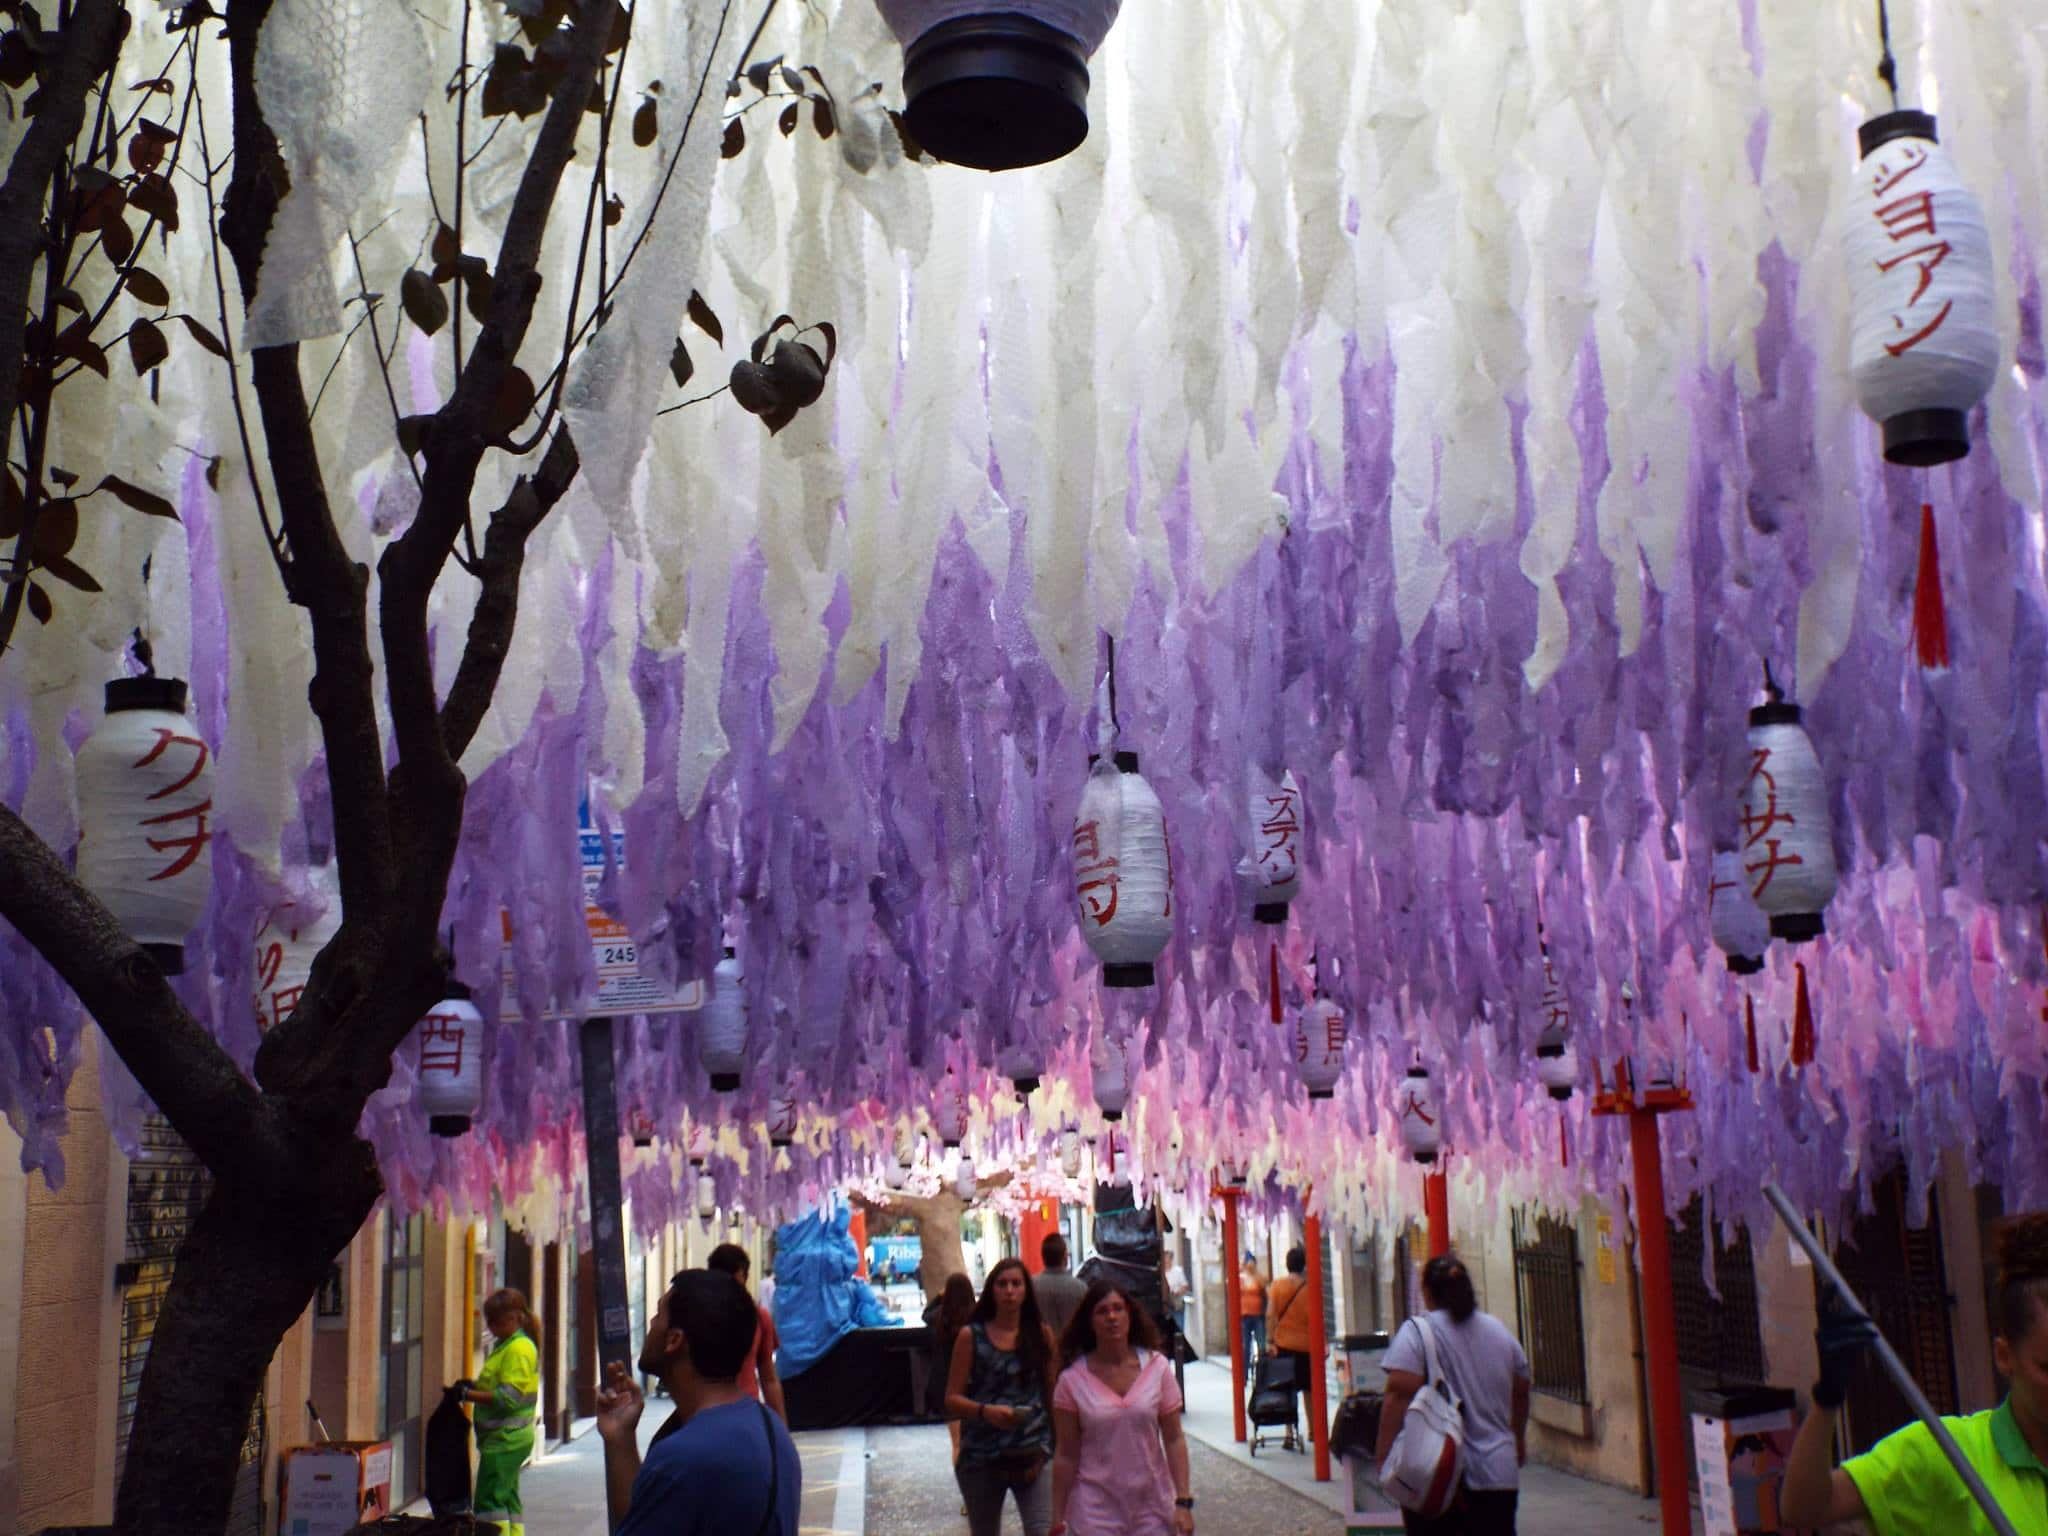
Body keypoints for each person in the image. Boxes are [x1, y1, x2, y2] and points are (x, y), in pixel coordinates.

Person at [1779, 1212, 2048, 1534]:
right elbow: (1806, 1508)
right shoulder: (1949, 1454)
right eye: (2047, 1368)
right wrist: (1827, 1398)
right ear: (2005, 1357)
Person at [595, 1268, 802, 1536]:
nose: (651, 1324)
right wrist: (621, 1439)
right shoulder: (771, 1428)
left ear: (674, 1340)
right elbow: (645, 1518)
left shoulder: (684, 1457)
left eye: (658, 1315)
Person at [1374, 1253, 1532, 1536]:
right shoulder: (1498, 1331)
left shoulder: (1418, 1332)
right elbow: (1521, 1388)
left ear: (1427, 1293)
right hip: (1498, 1474)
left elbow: (1397, 1392)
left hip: (1438, 1473)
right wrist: (1517, 1438)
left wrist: (1384, 1454)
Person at [1049, 1279, 1196, 1536]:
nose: (1112, 1317)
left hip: (1152, 1507)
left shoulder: (1157, 1369)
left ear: (1130, 1315)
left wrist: (1183, 1501)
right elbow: (1066, 1454)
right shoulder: (1071, 1382)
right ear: (1090, 1322)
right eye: (1102, 1311)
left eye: (1118, 1309)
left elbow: (1173, 1438)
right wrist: (1057, 1516)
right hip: (1094, 1511)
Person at [945, 1256, 1058, 1536]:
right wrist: (986, 1411)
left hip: (1033, 1452)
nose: (1009, 1291)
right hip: (983, 1455)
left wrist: (1057, 1447)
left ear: (1025, 1291)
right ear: (991, 1290)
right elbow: (952, 1398)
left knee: (1041, 1529)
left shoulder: (1041, 1335)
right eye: (1002, 1284)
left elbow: (1054, 1393)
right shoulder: (971, 1337)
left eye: (1016, 1284)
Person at [465, 1288, 541, 1536]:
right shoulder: (507, 1345)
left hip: (505, 1438)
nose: (490, 1327)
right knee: (507, 1498)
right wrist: (474, 1387)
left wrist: (467, 1396)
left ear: (512, 1319)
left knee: (489, 1502)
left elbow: (507, 1398)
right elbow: (497, 1385)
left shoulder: (518, 1349)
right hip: (507, 1437)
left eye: (494, 1322)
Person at [708, 1241, 789, 1422]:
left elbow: (769, 1379)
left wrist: (780, 1431)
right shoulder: (699, 1317)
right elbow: (769, 1379)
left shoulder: (760, 1318)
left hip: (739, 1414)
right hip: (719, 1416)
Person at [926, 1271, 979, 1465]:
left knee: (957, 1442)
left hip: (946, 1383)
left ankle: (962, 1475)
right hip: (973, 1383)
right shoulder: (978, 1316)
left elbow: (925, 1315)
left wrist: (939, 1297)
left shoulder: (940, 1318)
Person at [1266, 1245, 1315, 1405]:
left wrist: (1270, 1340)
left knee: (1286, 1387)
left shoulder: (1277, 1285)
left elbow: (1270, 1315)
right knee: (1309, 1388)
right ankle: (1313, 1427)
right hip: (1306, 1346)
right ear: (1304, 1265)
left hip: (1283, 1344)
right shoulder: (1310, 1288)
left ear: (1287, 1264)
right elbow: (1315, 1318)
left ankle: (1288, 1427)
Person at [1036, 1233, 1089, 1341]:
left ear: (1043, 1257)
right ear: (1065, 1257)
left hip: (1040, 1349)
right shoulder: (1080, 1288)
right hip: (1072, 1349)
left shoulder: (1030, 1286)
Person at [1238, 1253, 1267, 1381]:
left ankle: (1262, 1375)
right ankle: (1244, 1375)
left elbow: (1265, 1286)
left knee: (1261, 1346)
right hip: (1244, 1315)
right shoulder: (1240, 1278)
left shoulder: (1258, 1277)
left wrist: (1255, 1272)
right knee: (1245, 1346)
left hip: (1258, 1315)